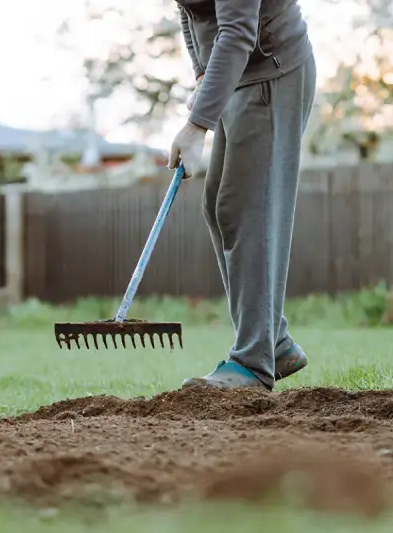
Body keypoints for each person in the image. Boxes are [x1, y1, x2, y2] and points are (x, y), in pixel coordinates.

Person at [167, 0, 316, 391]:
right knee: (220, 207)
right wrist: (202, 74)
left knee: (249, 213)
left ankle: (252, 361)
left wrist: (196, 125)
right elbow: (190, 11)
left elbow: (237, 32)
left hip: (271, 71)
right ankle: (275, 343)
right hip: (237, 76)